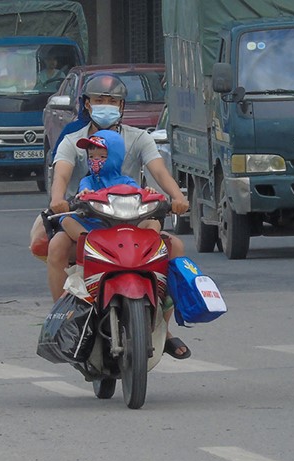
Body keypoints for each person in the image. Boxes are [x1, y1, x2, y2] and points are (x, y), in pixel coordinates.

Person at [47, 73, 192, 359]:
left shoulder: (139, 138)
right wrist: (57, 199)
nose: (106, 105)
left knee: (173, 246)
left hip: (133, 217)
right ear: (86, 105)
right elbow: (61, 174)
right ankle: (63, 323)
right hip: (88, 218)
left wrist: (177, 197)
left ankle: (163, 327)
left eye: (112, 101)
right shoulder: (74, 141)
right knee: (56, 247)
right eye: (99, 100)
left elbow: (159, 172)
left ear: (122, 107)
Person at [59, 130, 161, 242]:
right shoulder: (87, 181)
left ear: (115, 157)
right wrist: (84, 194)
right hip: (95, 226)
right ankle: (91, 243)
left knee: (154, 223)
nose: (95, 160)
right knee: (66, 220)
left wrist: (148, 192)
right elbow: (84, 190)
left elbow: (138, 194)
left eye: (102, 156)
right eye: (91, 156)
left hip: (126, 225)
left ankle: (145, 247)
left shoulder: (126, 181)